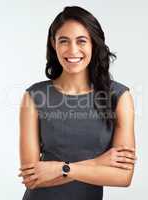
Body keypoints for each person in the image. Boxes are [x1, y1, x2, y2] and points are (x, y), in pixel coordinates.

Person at [18, 6, 136, 200]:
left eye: (81, 41)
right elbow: (32, 179)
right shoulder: (34, 96)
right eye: (64, 41)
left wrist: (63, 169)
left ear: (94, 44)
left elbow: (124, 176)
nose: (73, 50)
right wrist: (98, 163)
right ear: (54, 44)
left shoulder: (119, 97)